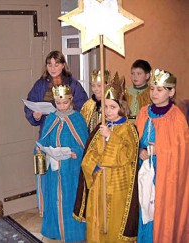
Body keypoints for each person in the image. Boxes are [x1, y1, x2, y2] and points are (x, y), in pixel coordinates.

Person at [81, 75, 139, 242]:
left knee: (115, 218)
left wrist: (111, 137)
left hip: (118, 184)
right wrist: (95, 166)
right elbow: (90, 154)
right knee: (98, 218)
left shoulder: (129, 129)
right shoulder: (102, 127)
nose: (108, 111)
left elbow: (127, 155)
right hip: (99, 182)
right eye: (105, 107)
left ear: (122, 107)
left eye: (112, 107)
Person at [135, 69, 189, 243]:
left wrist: (160, 150)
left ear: (171, 92)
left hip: (165, 175)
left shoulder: (176, 118)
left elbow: (181, 150)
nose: (154, 93)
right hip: (145, 171)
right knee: (145, 209)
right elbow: (136, 139)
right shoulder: (143, 112)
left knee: (160, 209)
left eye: (160, 89)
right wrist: (140, 151)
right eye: (152, 89)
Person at [35, 85, 88, 242]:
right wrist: (40, 147)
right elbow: (44, 139)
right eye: (58, 103)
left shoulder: (77, 118)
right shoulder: (51, 117)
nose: (62, 106)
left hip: (70, 169)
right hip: (53, 168)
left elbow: (84, 144)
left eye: (65, 102)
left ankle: (73, 233)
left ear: (71, 100)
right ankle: (54, 230)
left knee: (70, 199)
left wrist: (75, 152)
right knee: (53, 198)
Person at [25, 50, 88, 137]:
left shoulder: (73, 84)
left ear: (63, 65)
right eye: (49, 65)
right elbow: (30, 104)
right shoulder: (40, 84)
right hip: (47, 130)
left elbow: (84, 107)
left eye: (56, 65)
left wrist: (67, 109)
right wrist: (35, 116)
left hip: (69, 131)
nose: (52, 69)